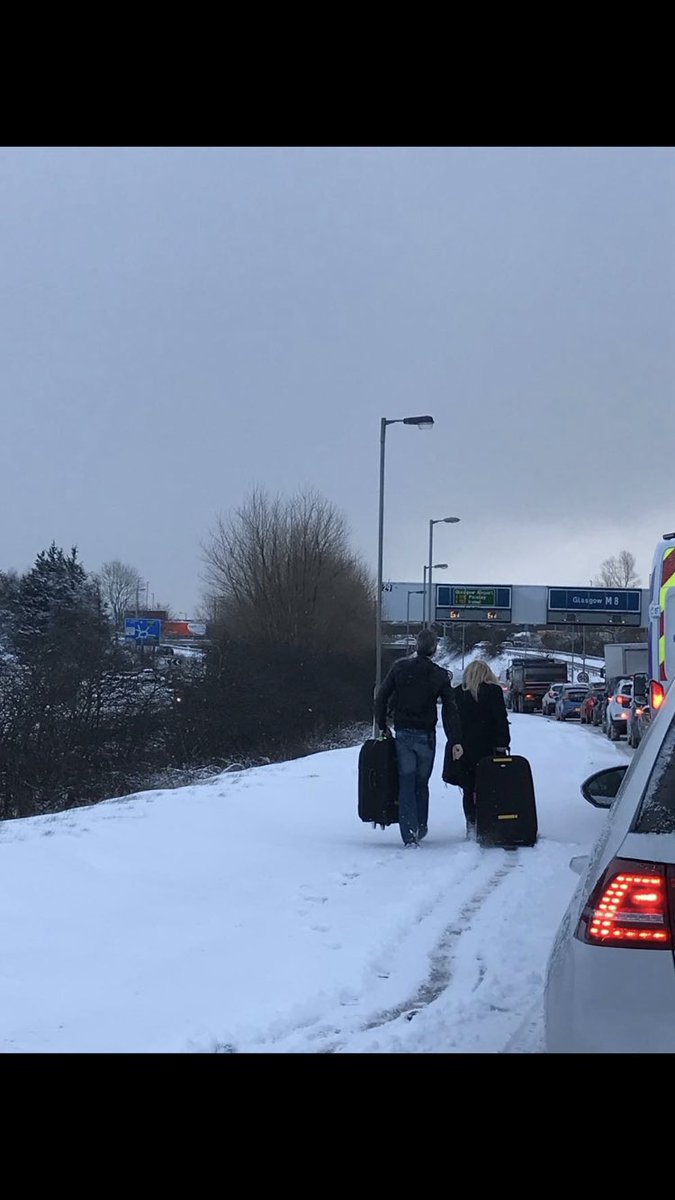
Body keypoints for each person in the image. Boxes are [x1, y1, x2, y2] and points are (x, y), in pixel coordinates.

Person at [374, 629, 463, 848]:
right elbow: (450, 709)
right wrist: (455, 739)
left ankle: (409, 834)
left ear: (416, 646)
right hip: (426, 735)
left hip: (403, 733)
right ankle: (420, 826)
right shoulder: (439, 675)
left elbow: (381, 697)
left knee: (406, 783)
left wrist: (383, 725)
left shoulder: (399, 668)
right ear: (434, 649)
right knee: (421, 784)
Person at [454, 659, 511, 837]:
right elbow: (500, 719)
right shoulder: (493, 691)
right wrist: (503, 742)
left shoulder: (457, 694)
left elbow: (453, 721)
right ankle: (489, 823)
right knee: (489, 787)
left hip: (465, 748)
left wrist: (455, 742)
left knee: (468, 787)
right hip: (489, 747)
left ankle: (471, 823)